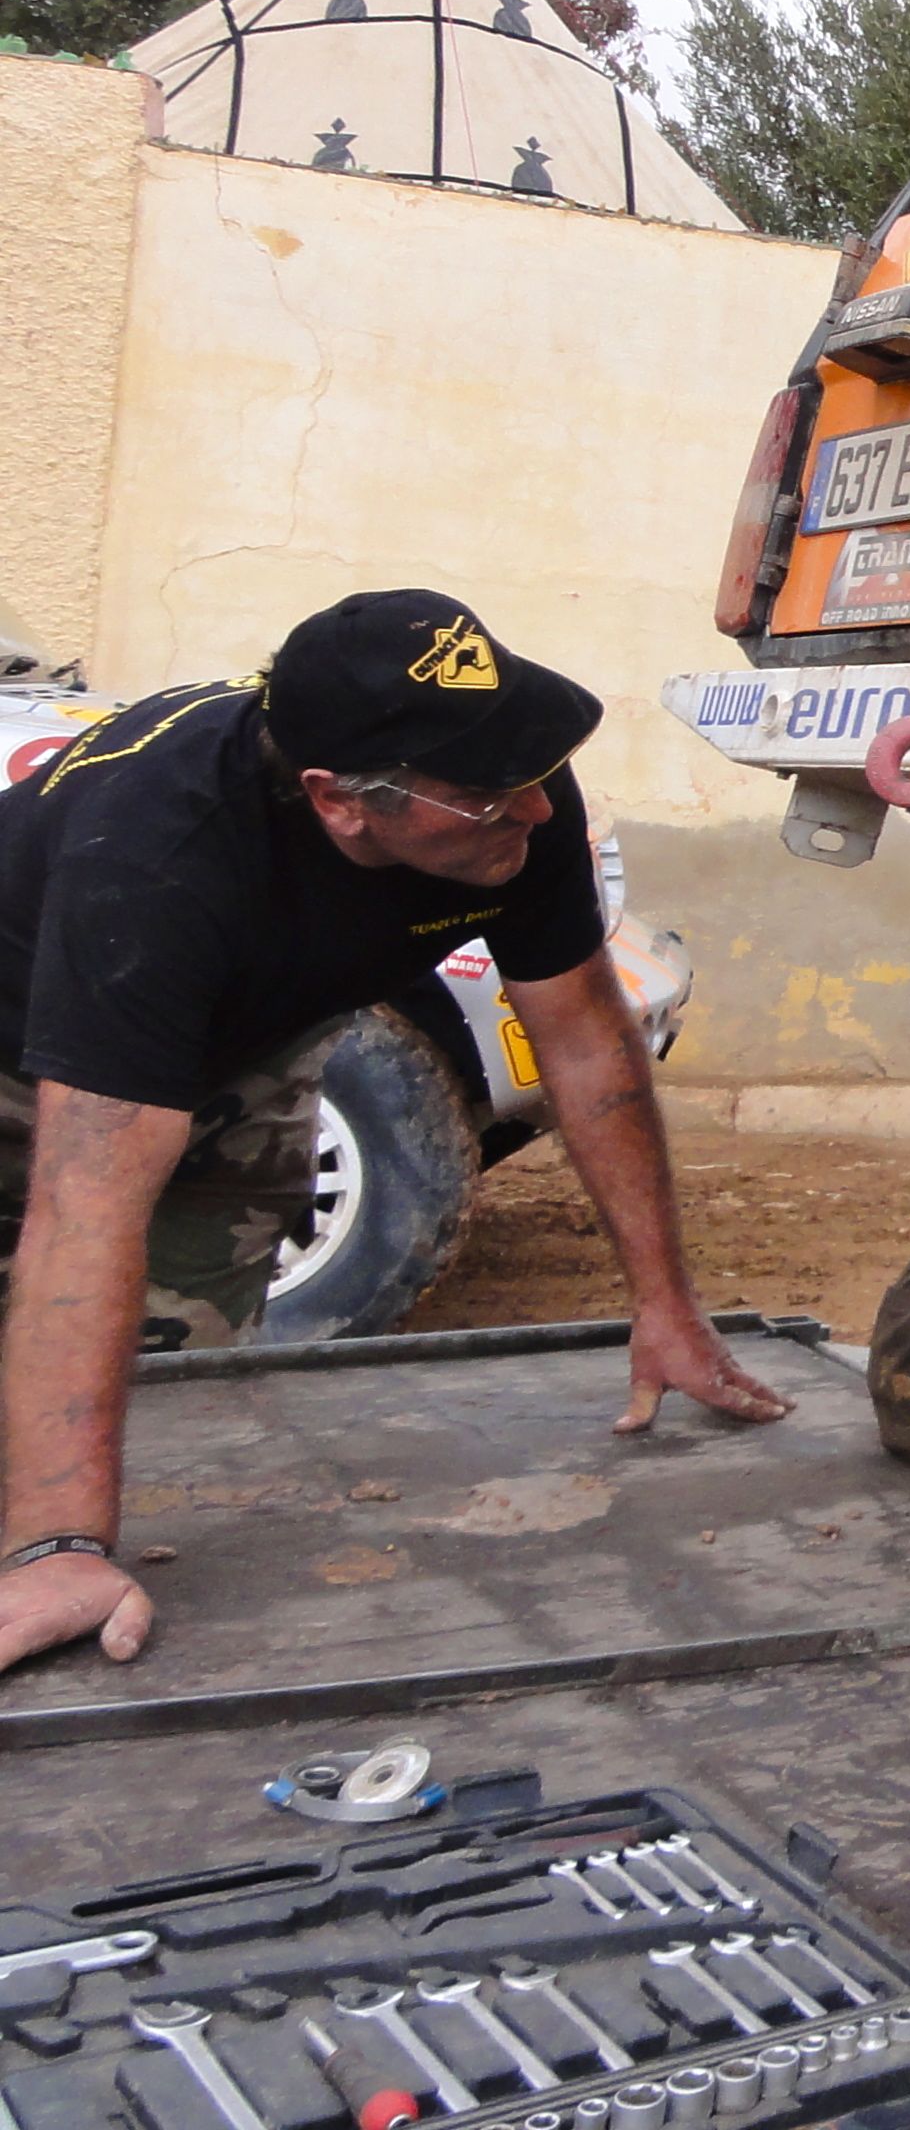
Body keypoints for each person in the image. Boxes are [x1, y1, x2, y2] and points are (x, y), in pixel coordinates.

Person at [0, 589, 788, 1677]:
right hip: (35, 1041)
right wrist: (57, 1546)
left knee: (186, 1384)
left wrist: (665, 1303)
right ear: (339, 801)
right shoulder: (155, 859)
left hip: (244, 1047)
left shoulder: (504, 786)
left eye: (532, 774)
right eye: (487, 795)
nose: (538, 809)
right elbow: (84, 1210)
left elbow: (584, 1041)